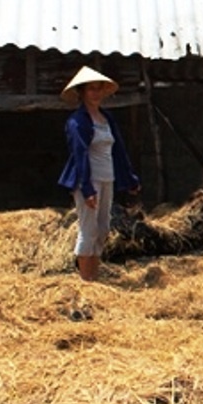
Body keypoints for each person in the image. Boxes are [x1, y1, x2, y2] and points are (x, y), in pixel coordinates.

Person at [57, 66, 140, 281]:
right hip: (89, 180)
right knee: (88, 230)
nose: (95, 93)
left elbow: (118, 150)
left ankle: (94, 276)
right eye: (91, 89)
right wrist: (87, 189)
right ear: (82, 93)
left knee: (103, 229)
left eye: (98, 89)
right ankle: (86, 283)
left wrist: (130, 178)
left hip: (107, 178)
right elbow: (79, 155)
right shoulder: (78, 121)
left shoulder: (106, 119)